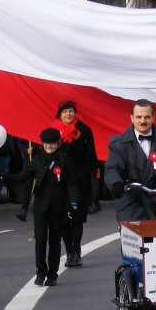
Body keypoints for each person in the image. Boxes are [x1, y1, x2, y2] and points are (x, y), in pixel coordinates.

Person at [2, 128, 81, 286]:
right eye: (46, 143)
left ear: (58, 143)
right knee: (40, 239)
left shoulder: (64, 160)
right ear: (42, 143)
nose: (49, 146)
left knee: (55, 240)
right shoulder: (37, 160)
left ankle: (52, 274)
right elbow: (22, 176)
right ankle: (40, 271)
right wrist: (2, 177)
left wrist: (73, 203)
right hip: (40, 206)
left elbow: (71, 183)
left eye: (52, 143)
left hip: (58, 206)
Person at [52, 99, 97, 268]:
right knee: (63, 218)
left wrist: (82, 173)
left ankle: (77, 251)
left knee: (77, 217)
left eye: (71, 111)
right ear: (60, 115)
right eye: (65, 111)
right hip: (60, 182)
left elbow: (92, 156)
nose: (68, 114)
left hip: (80, 181)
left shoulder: (84, 130)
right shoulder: (54, 133)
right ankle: (69, 252)